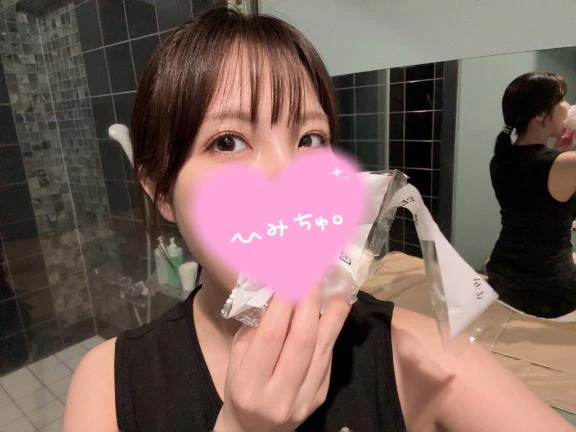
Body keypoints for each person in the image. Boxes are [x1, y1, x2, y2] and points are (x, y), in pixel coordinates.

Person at [63, 9, 575, 432]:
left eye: (310, 139)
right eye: (228, 141)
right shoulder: (109, 383)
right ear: (161, 192)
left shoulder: (413, 355)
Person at [487, 73, 576, 320]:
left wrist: (562, 152)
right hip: (549, 290)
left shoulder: (500, 159)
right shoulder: (564, 165)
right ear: (540, 113)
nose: (568, 105)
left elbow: (534, 204)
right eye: (561, 99)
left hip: (502, 275)